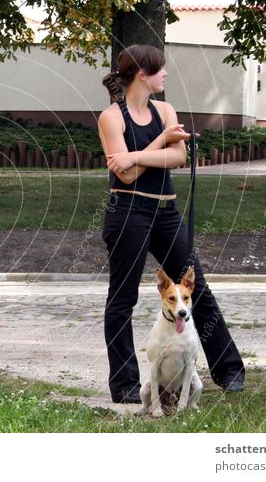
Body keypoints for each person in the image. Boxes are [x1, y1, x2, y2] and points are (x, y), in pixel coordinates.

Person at [97, 44, 245, 403]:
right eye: (160, 69)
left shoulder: (165, 109)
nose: (165, 75)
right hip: (128, 213)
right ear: (142, 75)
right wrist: (159, 144)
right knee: (122, 299)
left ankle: (229, 372)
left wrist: (134, 155)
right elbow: (128, 178)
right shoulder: (111, 118)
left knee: (200, 291)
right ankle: (126, 385)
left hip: (166, 213)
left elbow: (178, 156)